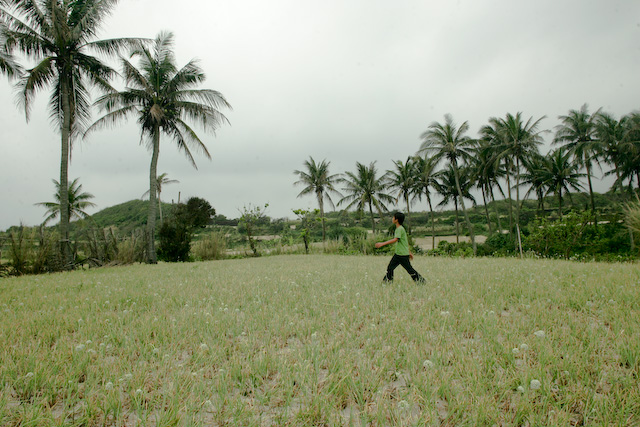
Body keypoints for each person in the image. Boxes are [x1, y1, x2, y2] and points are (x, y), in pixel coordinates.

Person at [375, 212, 425, 284]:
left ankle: (421, 281)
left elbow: (395, 239)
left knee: (409, 269)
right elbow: (405, 242)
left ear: (396, 220)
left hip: (402, 255)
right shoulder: (401, 229)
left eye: (393, 217)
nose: (392, 218)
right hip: (399, 254)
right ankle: (387, 282)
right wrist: (409, 252)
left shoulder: (399, 229)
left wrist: (382, 244)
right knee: (390, 268)